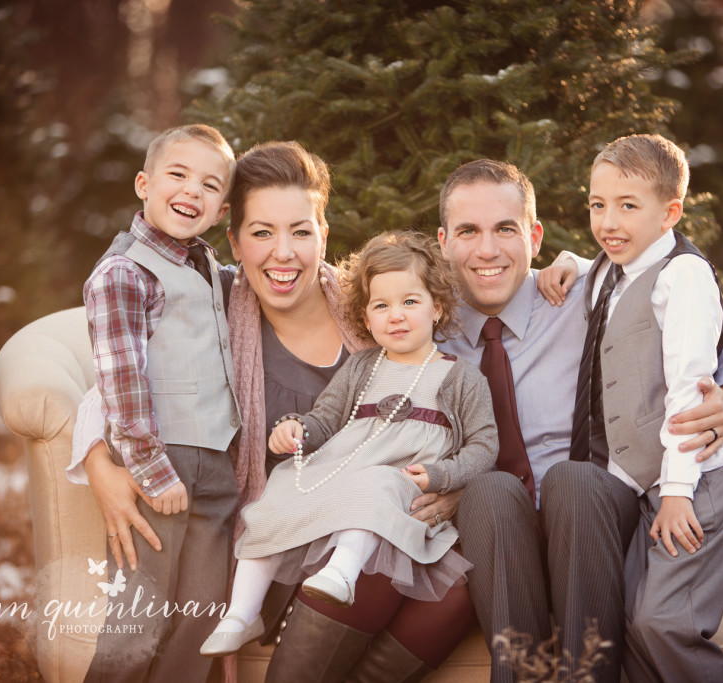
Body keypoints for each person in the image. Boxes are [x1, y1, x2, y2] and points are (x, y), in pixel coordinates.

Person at [70, 142, 479, 683]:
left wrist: (449, 489)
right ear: (233, 239)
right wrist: (101, 463)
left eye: (300, 231)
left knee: (456, 591)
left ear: (323, 235)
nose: (282, 253)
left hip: (363, 525)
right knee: (375, 561)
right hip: (276, 540)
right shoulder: (215, 311)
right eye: (261, 232)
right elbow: (114, 382)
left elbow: (445, 394)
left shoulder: (372, 312)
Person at [429, 158, 723, 682]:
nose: (487, 250)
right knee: (489, 491)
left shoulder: (578, 295)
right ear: (443, 241)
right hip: (497, 539)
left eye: (505, 229)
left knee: (574, 478)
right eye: (468, 232)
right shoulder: (424, 329)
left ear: (534, 236)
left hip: (591, 521)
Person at [200, 231, 498, 658]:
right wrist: (296, 428)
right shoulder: (362, 366)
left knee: (377, 485)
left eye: (410, 302)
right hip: (343, 469)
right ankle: (243, 613)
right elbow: (325, 418)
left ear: (438, 307)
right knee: (279, 489)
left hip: (401, 482)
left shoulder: (459, 376)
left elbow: (485, 445)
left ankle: (343, 571)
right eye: (381, 305)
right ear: (366, 316)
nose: (395, 315)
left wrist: (443, 474)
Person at [578, 134, 723, 682]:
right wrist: (564, 264)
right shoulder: (612, 269)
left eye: (628, 206)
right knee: (632, 622)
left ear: (670, 212)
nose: (609, 221)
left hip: (702, 482)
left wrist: (677, 494)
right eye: (597, 204)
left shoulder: (683, 277)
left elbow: (689, 393)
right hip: (653, 487)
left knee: (662, 622)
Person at [80, 123, 241, 682]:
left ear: (222, 210)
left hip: (216, 467)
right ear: (144, 183)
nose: (192, 191)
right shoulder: (124, 273)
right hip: (162, 466)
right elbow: (120, 382)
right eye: (178, 175)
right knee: (139, 620)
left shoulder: (205, 268)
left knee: (201, 616)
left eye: (210, 185)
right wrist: (150, 469)